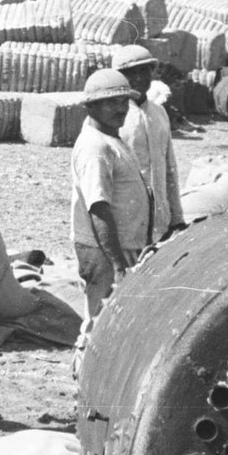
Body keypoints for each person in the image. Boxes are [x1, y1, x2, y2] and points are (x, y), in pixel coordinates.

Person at [70, 69, 151, 330]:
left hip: (121, 245)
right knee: (100, 324)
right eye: (111, 102)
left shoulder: (112, 139)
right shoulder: (96, 147)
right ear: (91, 107)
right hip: (105, 250)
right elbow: (98, 208)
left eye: (124, 101)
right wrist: (117, 264)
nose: (121, 108)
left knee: (117, 323)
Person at [112, 46, 184, 246]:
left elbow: (169, 168)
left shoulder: (159, 113)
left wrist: (176, 218)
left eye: (144, 71)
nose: (139, 78)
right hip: (125, 222)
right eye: (131, 73)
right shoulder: (113, 117)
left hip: (159, 221)